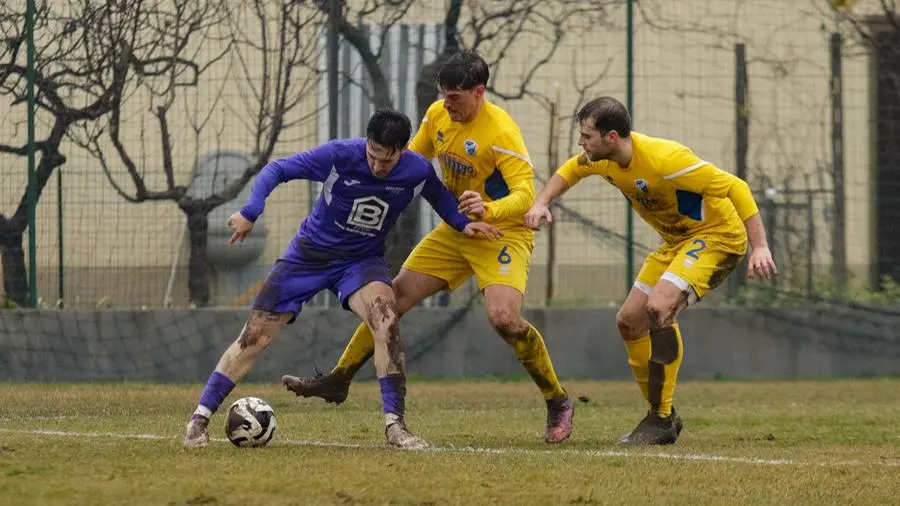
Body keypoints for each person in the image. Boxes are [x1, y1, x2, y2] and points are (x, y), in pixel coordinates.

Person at [282, 50, 576, 444]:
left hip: (500, 233)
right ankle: (339, 379)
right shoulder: (437, 114)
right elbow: (414, 159)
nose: (446, 103)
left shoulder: (501, 132)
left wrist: (489, 209)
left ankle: (557, 399)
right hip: (456, 230)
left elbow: (526, 193)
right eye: (443, 94)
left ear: (479, 91)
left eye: (455, 97)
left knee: (504, 319)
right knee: (390, 300)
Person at [183, 109, 501, 450]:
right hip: (307, 257)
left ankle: (396, 427)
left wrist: (462, 223)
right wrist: (250, 211)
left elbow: (440, 199)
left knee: (387, 319)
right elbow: (278, 169)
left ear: (403, 150)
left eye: (387, 160)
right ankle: (199, 420)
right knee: (255, 337)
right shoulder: (339, 155)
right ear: (367, 144)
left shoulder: (417, 170)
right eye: (372, 156)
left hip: (360, 262)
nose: (378, 165)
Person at [524, 96, 777, 445]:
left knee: (658, 307)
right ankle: (662, 416)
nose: (581, 143)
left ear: (611, 137)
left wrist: (759, 246)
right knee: (629, 321)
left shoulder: (665, 160)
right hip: (677, 242)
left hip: (717, 237)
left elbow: (737, 187)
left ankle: (659, 417)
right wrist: (540, 203)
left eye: (586, 135)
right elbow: (571, 170)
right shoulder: (604, 160)